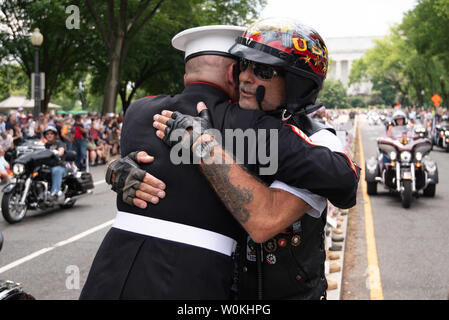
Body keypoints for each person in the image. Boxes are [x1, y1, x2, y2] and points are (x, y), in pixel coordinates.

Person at [81, 23, 358, 300]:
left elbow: (266, 220)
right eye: (243, 65)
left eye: (261, 70)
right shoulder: (231, 121)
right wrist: (121, 168)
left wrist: (205, 147)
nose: (245, 78)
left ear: (297, 84)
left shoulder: (318, 141)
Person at [43, 126, 66, 198]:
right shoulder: (44, 145)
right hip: (46, 166)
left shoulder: (59, 143)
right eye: (47, 134)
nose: (49, 135)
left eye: (51, 134)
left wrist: (57, 152)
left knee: (56, 170)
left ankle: (55, 193)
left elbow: (61, 151)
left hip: (58, 166)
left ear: (55, 135)